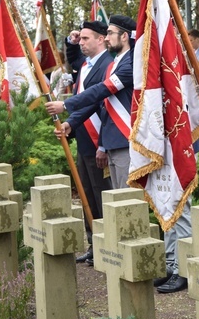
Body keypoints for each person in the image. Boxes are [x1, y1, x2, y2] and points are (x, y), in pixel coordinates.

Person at [49, 20, 114, 266]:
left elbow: (101, 104)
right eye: (81, 38)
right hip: (84, 137)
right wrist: (70, 42)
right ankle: (93, 243)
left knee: (102, 194)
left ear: (101, 39)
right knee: (87, 191)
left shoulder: (108, 65)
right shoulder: (85, 64)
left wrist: (103, 145)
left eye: (87, 38)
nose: (82, 42)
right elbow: (73, 59)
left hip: (101, 137)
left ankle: (107, 244)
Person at [48, 15, 136, 191]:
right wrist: (71, 122)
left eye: (110, 33)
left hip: (124, 138)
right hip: (113, 141)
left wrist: (66, 105)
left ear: (124, 36)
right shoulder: (116, 63)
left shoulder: (130, 63)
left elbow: (101, 90)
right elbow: (98, 102)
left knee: (126, 201)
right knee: (115, 202)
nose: (107, 37)